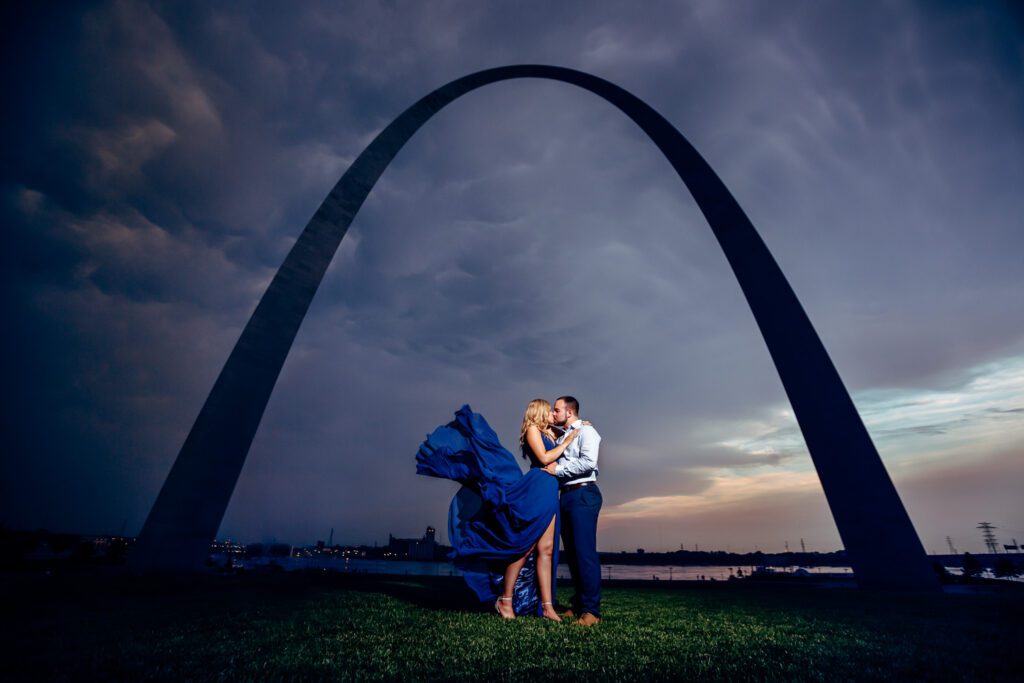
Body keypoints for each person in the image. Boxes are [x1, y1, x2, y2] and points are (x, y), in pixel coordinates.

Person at [415, 403, 578, 621]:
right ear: (538, 412)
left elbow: (566, 429)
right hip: (537, 487)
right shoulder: (532, 430)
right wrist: (568, 440)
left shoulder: (550, 431)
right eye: (548, 410)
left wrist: (575, 426)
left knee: (547, 550)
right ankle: (506, 599)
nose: (552, 414)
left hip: (551, 489)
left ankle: (547, 607)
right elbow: (546, 458)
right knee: (526, 546)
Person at [542, 395, 602, 626]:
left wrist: (558, 469)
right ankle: (579, 605)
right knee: (574, 555)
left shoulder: (587, 432)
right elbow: (546, 425)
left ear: (569, 412)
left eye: (556, 410)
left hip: (583, 494)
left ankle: (592, 612)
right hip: (566, 496)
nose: (553, 414)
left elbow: (588, 463)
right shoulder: (567, 434)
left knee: (585, 553)